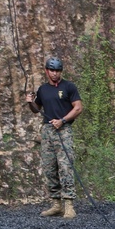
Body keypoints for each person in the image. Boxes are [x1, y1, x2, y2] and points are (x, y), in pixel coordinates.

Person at [26, 57, 83, 219]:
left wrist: (63, 120)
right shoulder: (43, 89)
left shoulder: (69, 87)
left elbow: (78, 108)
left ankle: (69, 205)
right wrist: (30, 102)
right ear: (46, 71)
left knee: (65, 166)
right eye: (52, 70)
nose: (54, 73)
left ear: (61, 72)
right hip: (47, 130)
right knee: (49, 167)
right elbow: (37, 109)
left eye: (57, 70)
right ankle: (56, 204)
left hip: (63, 130)